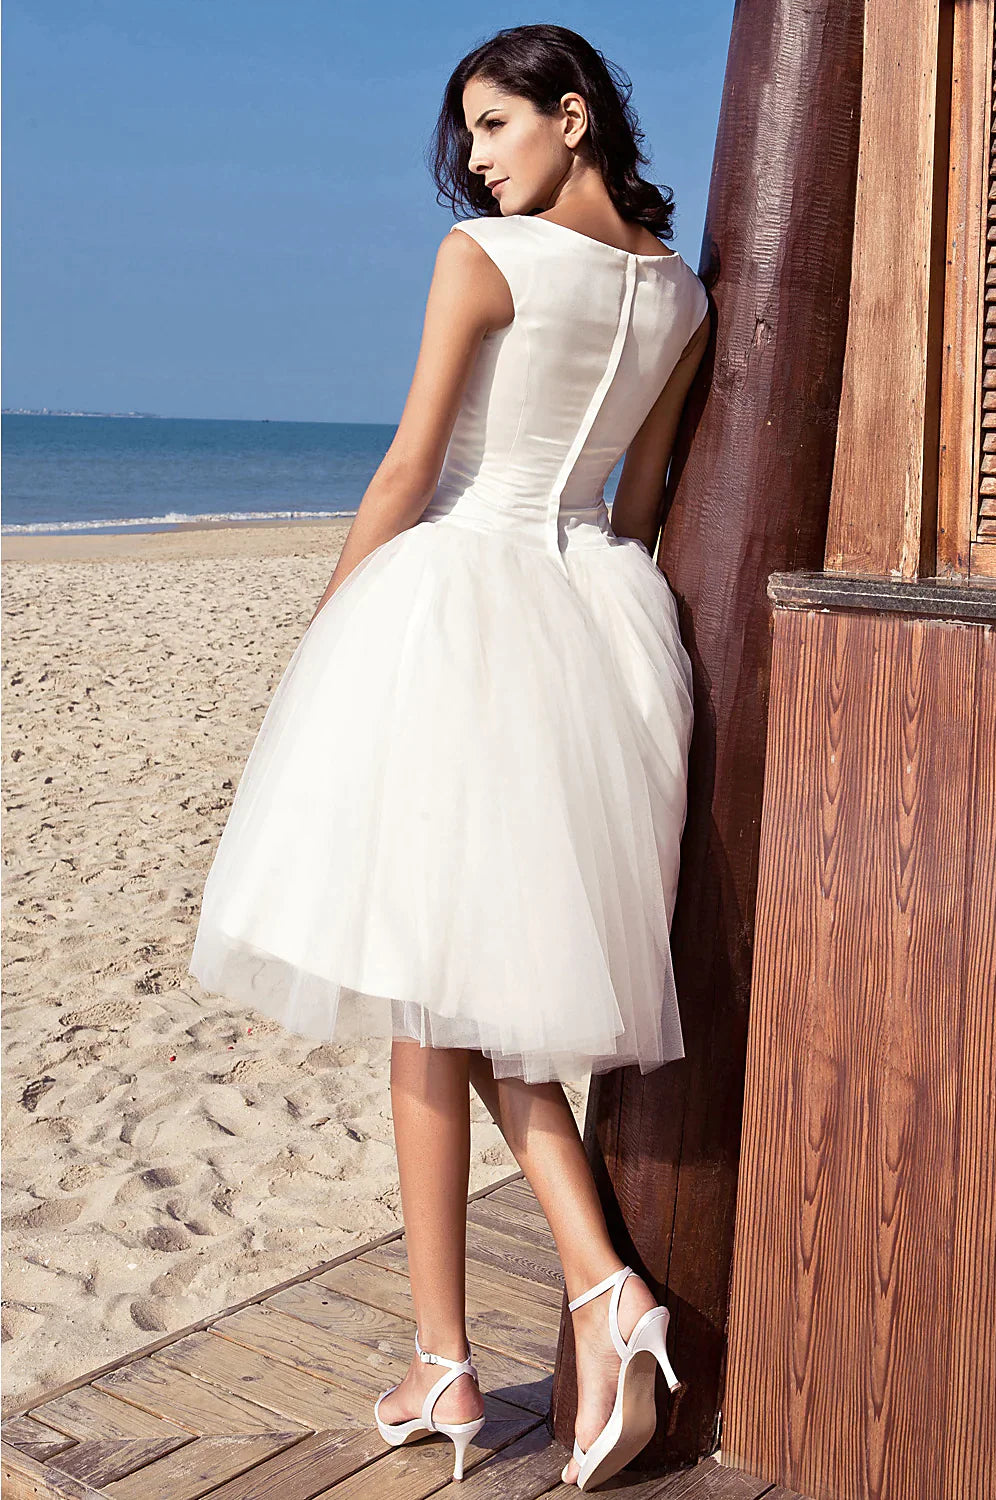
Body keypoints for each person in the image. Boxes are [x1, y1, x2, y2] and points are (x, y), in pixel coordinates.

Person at [187, 21, 709, 1491]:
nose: (476, 161)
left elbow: (414, 467)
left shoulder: (484, 257)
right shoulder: (679, 293)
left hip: (462, 593)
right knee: (459, 997)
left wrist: (329, 631)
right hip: (598, 609)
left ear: (574, 113)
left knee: (435, 989)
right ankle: (487, 1343)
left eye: (492, 126)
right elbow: (646, 497)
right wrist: (607, 669)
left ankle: (520, 1328)